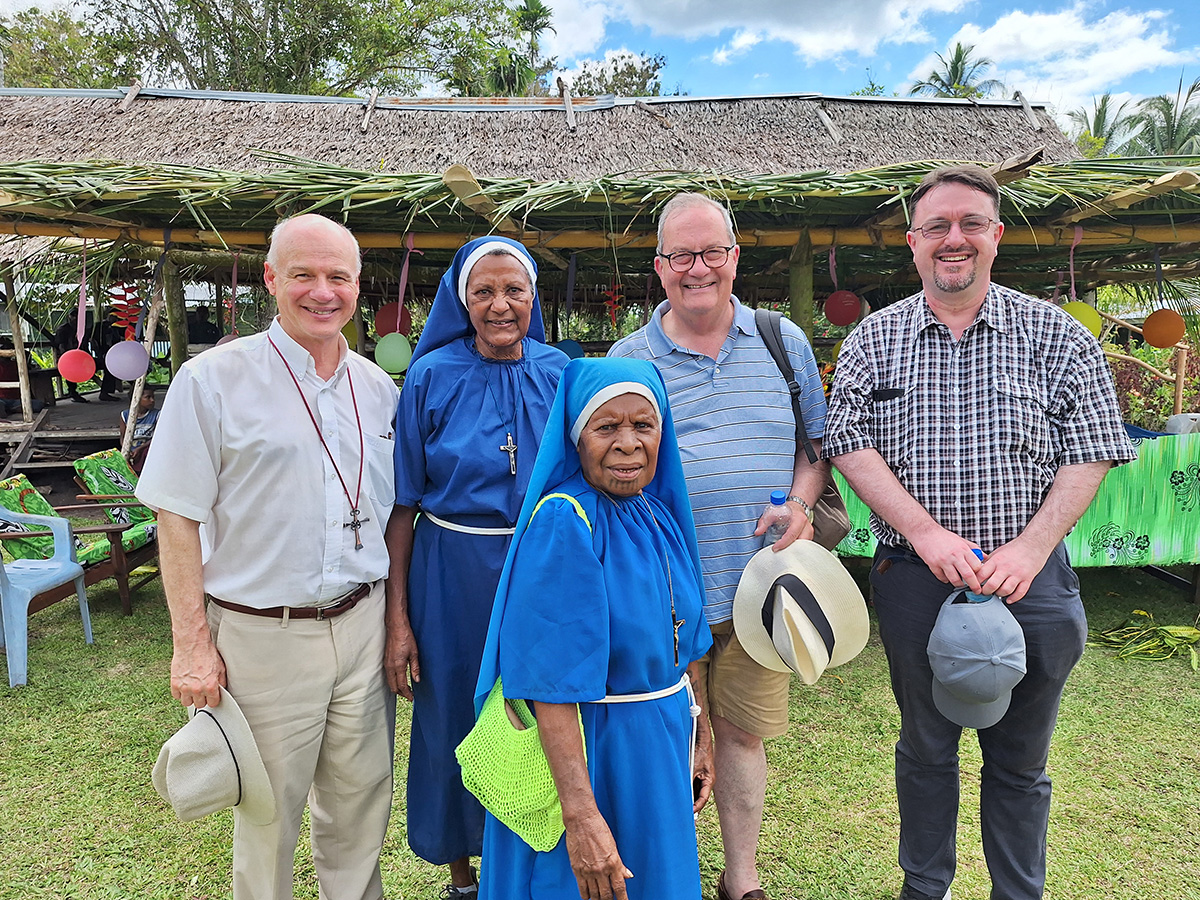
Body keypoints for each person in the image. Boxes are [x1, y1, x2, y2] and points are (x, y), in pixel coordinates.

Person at [822, 165, 1136, 900]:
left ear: (995, 235)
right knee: (926, 751)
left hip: (1033, 582)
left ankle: (1017, 894)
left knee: (1021, 763)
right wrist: (927, 536)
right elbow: (850, 444)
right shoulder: (876, 339)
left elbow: (1092, 448)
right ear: (913, 242)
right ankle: (923, 890)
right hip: (915, 580)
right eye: (936, 227)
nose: (953, 239)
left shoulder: (1057, 336)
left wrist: (1028, 551)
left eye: (969, 223)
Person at [135, 214, 401, 900]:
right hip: (262, 632)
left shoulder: (378, 390)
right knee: (266, 813)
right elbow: (176, 515)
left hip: (363, 624)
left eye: (338, 276)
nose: (322, 292)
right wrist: (191, 645)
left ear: (357, 285)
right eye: (303, 275)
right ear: (271, 280)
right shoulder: (213, 380)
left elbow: (395, 517)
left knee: (361, 803)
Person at [608, 193, 830, 900]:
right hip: (662, 595)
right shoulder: (629, 356)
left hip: (760, 586)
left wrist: (799, 502)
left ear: (735, 258)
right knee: (663, 737)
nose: (697, 268)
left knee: (741, 734)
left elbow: (814, 449)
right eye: (681, 255)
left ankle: (741, 879)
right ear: (659, 266)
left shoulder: (781, 340)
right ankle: (669, 876)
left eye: (712, 253)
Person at [475, 356, 713, 900]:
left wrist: (701, 735)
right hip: (594, 755)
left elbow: (685, 644)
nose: (628, 443)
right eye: (607, 427)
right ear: (577, 437)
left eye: (643, 426)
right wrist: (580, 814)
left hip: (656, 745)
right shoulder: (565, 521)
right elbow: (548, 685)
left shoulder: (657, 512)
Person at [386, 236, 569, 896]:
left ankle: (528, 862)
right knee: (453, 715)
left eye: (514, 291)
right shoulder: (430, 377)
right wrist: (398, 621)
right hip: (450, 573)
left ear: (534, 299)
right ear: (461, 302)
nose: (500, 305)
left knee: (540, 708)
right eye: (483, 292)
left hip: (539, 572)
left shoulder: (559, 372)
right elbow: (403, 507)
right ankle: (463, 871)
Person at [119, 384, 159, 473]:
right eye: (148, 397)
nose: (152, 400)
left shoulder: (157, 415)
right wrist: (127, 449)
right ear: (137, 398)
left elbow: (157, 437)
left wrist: (139, 449)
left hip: (147, 446)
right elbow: (123, 436)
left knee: (147, 454)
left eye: (153, 397)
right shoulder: (125, 415)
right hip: (131, 448)